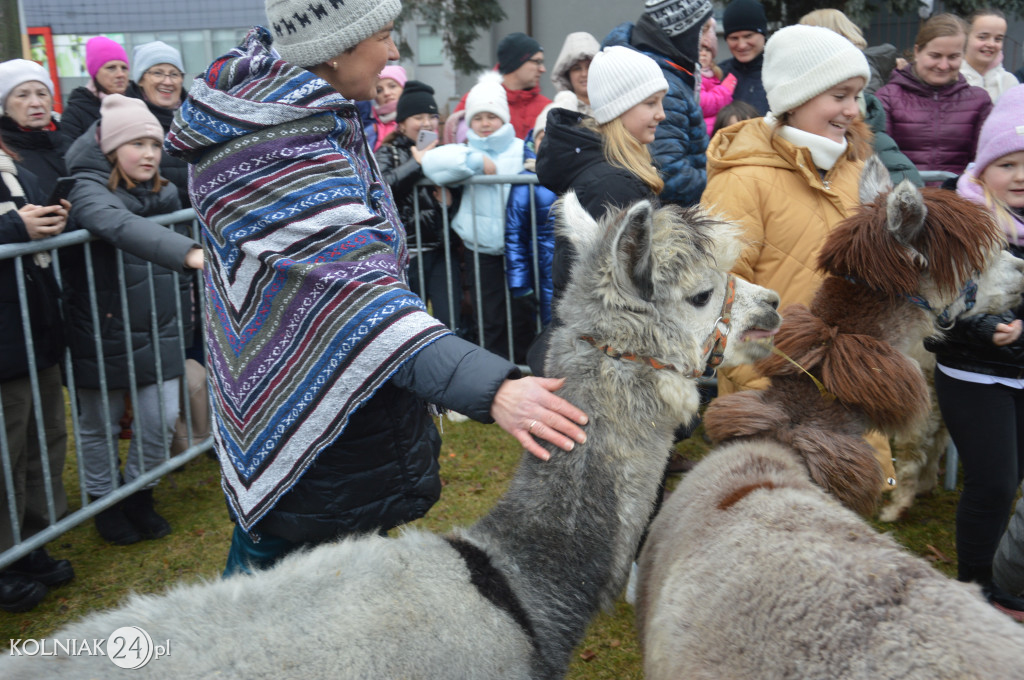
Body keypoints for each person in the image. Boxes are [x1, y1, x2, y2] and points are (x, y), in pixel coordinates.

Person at [165, 0, 587, 575]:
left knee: (337, 593)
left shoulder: (309, 118)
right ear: (334, 49)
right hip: (304, 421)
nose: (394, 53)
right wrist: (496, 389)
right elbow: (358, 297)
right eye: (386, 36)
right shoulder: (268, 149)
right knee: (267, 604)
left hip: (346, 398)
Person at [64, 94, 203, 546]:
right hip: (99, 331)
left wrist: (183, 317)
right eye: (137, 144)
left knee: (159, 419)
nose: (148, 153)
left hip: (158, 329)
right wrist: (186, 252)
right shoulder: (87, 187)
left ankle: (139, 493)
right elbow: (116, 224)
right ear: (110, 148)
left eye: (155, 144)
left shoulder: (167, 193)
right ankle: (105, 503)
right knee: (98, 426)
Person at [925, 84, 1024, 622]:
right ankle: (973, 589)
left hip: (1022, 370)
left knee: (1015, 485)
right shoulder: (962, 225)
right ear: (982, 169)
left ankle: (1007, 587)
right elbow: (940, 309)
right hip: (973, 372)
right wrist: (986, 327)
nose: (1020, 176)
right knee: (993, 483)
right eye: (1007, 163)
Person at [531, 45, 668, 375]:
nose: (661, 113)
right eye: (650, 103)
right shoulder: (612, 186)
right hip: (609, 355)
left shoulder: (614, 175)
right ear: (619, 109)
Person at [0, 133, 72, 613]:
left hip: (31, 321)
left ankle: (32, 539)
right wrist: (13, 229)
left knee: (41, 436)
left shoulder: (10, 163)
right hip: (6, 331)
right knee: (5, 448)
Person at [422, 73, 534, 363]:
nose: (484, 123)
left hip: (518, 248)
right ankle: (498, 379)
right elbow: (432, 164)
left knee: (522, 314)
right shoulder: (464, 151)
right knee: (491, 318)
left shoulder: (522, 148)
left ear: (504, 118)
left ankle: (527, 373)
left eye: (491, 116)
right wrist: (477, 161)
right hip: (480, 249)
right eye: (478, 117)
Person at [797, 9, 923, 188]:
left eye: (855, 96)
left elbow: (909, 189)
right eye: (840, 96)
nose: (851, 110)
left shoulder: (868, 135)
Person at [603, 0, 712, 207]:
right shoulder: (663, 82)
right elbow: (670, 173)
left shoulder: (667, 72)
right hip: (677, 218)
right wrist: (721, 182)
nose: (707, 41)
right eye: (703, 30)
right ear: (685, 31)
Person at [374, 80, 461, 331]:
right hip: (408, 254)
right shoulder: (388, 152)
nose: (426, 123)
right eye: (418, 117)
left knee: (450, 320)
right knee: (412, 324)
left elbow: (459, 204)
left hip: (442, 252)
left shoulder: (444, 152)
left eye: (432, 117)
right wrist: (417, 163)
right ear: (401, 124)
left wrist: (448, 205)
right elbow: (383, 186)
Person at [875, 14, 992, 175]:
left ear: (963, 56)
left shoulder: (979, 101)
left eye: (953, 57)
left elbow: (985, 161)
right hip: (903, 195)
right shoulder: (887, 98)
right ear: (917, 51)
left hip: (961, 196)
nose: (943, 66)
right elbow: (879, 160)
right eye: (935, 56)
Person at [505, 104, 557, 329]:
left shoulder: (580, 177)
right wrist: (519, 283)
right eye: (541, 137)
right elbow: (514, 234)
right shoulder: (525, 181)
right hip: (541, 273)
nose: (545, 144)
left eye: (553, 138)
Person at [454, 32, 552, 140]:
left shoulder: (547, 108)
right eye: (537, 62)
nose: (543, 69)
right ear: (516, 62)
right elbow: (456, 146)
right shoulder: (475, 100)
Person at [131, 41, 190, 203]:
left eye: (174, 74)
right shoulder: (128, 122)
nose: (167, 82)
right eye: (158, 73)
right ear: (141, 80)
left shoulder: (199, 117)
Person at [0, 59, 72, 191]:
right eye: (22, 95)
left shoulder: (71, 143)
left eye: (42, 94)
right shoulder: (4, 156)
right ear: (4, 107)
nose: (36, 103)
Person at [60, 36, 136, 144]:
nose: (120, 74)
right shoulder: (76, 113)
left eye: (124, 68)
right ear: (95, 73)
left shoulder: (139, 101)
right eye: (111, 68)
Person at [718, 0, 769, 114]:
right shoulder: (718, 74)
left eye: (748, 36)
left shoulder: (782, 72)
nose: (741, 45)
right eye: (734, 38)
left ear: (763, 34)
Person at [960, 8, 1019, 102]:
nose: (991, 44)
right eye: (982, 37)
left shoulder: (1009, 82)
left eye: (998, 39)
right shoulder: (952, 78)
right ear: (966, 37)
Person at [699, 18, 737, 135]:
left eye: (707, 50)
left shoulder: (713, 74)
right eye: (700, 49)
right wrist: (725, 90)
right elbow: (703, 104)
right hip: (705, 134)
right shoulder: (694, 76)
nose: (704, 53)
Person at [549, 31, 600, 115]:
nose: (584, 74)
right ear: (567, 75)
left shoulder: (616, 108)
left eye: (589, 67)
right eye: (577, 68)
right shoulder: (558, 114)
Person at [371, 63, 406, 151]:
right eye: (379, 90)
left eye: (392, 86)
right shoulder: (368, 125)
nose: (386, 93)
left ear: (404, 88)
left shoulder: (417, 120)